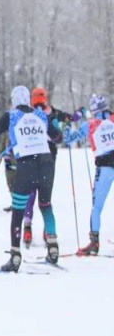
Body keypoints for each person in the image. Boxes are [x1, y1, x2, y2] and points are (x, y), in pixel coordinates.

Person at [0, 86, 63, 271]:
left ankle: (15, 255)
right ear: (28, 99)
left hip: (26, 165)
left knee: (18, 210)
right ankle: (52, 247)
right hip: (46, 163)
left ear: (13, 100)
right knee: (45, 205)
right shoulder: (40, 115)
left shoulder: (10, 116)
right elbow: (57, 137)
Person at [20, 87, 74, 246]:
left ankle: (27, 227)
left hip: (30, 155)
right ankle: (48, 231)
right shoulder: (53, 113)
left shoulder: (27, 113)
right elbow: (68, 120)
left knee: (30, 193)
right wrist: (76, 116)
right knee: (45, 198)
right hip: (49, 157)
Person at [63, 94, 113, 255]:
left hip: (105, 166)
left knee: (97, 206)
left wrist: (67, 125)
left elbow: (68, 139)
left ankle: (94, 242)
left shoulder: (90, 125)